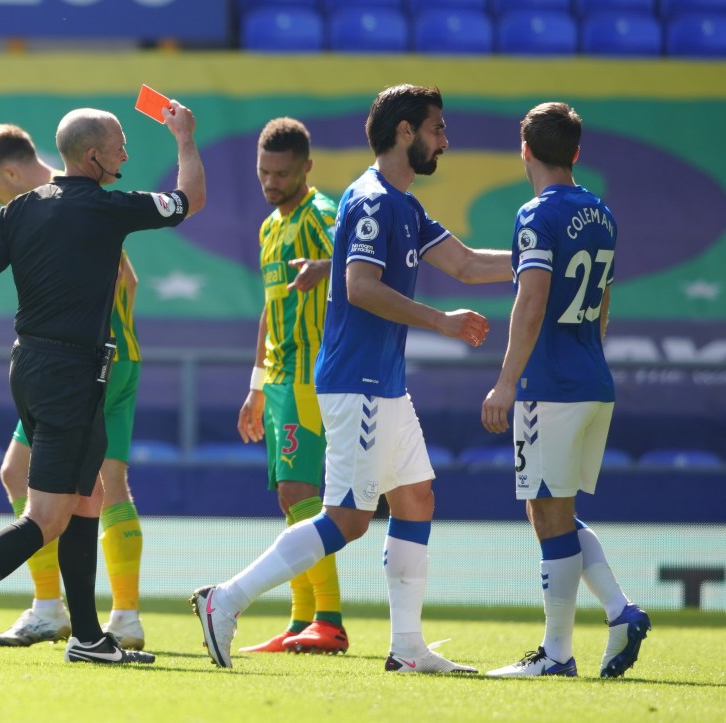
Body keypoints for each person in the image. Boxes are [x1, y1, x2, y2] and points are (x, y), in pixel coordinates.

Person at [192, 84, 511, 671]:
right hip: (355, 380)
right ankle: (224, 601)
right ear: (406, 132)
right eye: (437, 129)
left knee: (416, 498)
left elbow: (465, 263)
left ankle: (409, 649)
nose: (446, 140)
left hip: (382, 382)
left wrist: (534, 257)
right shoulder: (371, 201)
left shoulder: (403, 203)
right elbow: (361, 287)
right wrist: (441, 321)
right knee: (347, 519)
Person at [0, 100, 205, 665]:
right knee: (46, 517)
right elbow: (191, 199)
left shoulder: (13, 213)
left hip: (34, 368)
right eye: (119, 144)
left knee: (89, 497)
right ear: (94, 156)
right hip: (75, 372)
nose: (125, 152)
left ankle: (89, 637)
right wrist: (185, 139)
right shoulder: (107, 209)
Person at [481, 102, 650, 679]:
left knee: (549, 514)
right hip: (590, 377)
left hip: (548, 384)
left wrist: (506, 381)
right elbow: (603, 299)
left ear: (524, 150)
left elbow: (531, 300)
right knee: (553, 508)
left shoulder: (535, 214)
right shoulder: (601, 212)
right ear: (575, 153)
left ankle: (556, 654)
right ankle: (620, 610)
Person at [0, 124, 148, 651]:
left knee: (52, 479)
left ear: (9, 173)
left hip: (85, 365)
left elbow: (121, 281)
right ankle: (112, 616)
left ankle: (62, 609)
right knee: (89, 484)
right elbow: (127, 280)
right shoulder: (79, 199)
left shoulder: (60, 205)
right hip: (106, 359)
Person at [236, 117, 347, 655]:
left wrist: (324, 267)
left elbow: (362, 264)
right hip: (279, 378)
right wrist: (255, 385)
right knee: (290, 497)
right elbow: (269, 308)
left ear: (306, 167)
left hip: (311, 375)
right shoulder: (269, 226)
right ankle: (303, 617)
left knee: (301, 492)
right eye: (263, 172)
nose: (271, 181)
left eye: (281, 172)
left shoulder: (320, 214)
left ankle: (329, 618)